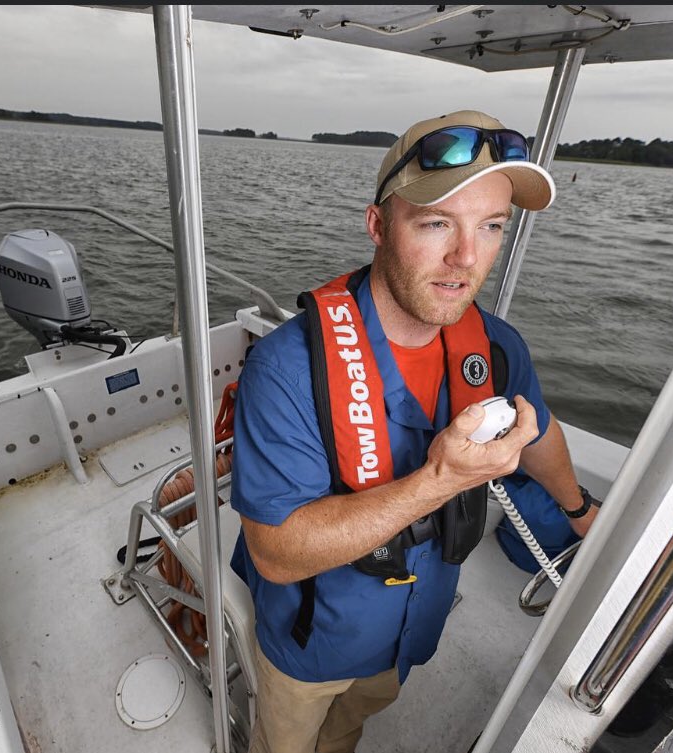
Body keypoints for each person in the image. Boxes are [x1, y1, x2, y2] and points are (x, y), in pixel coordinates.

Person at [228, 110, 598, 753]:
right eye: (435, 223)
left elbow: (539, 433)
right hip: (313, 642)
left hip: (412, 625)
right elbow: (276, 552)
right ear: (378, 226)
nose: (465, 258)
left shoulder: (498, 349)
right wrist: (441, 480)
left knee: (352, 726)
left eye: (489, 228)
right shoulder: (288, 367)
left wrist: (581, 509)